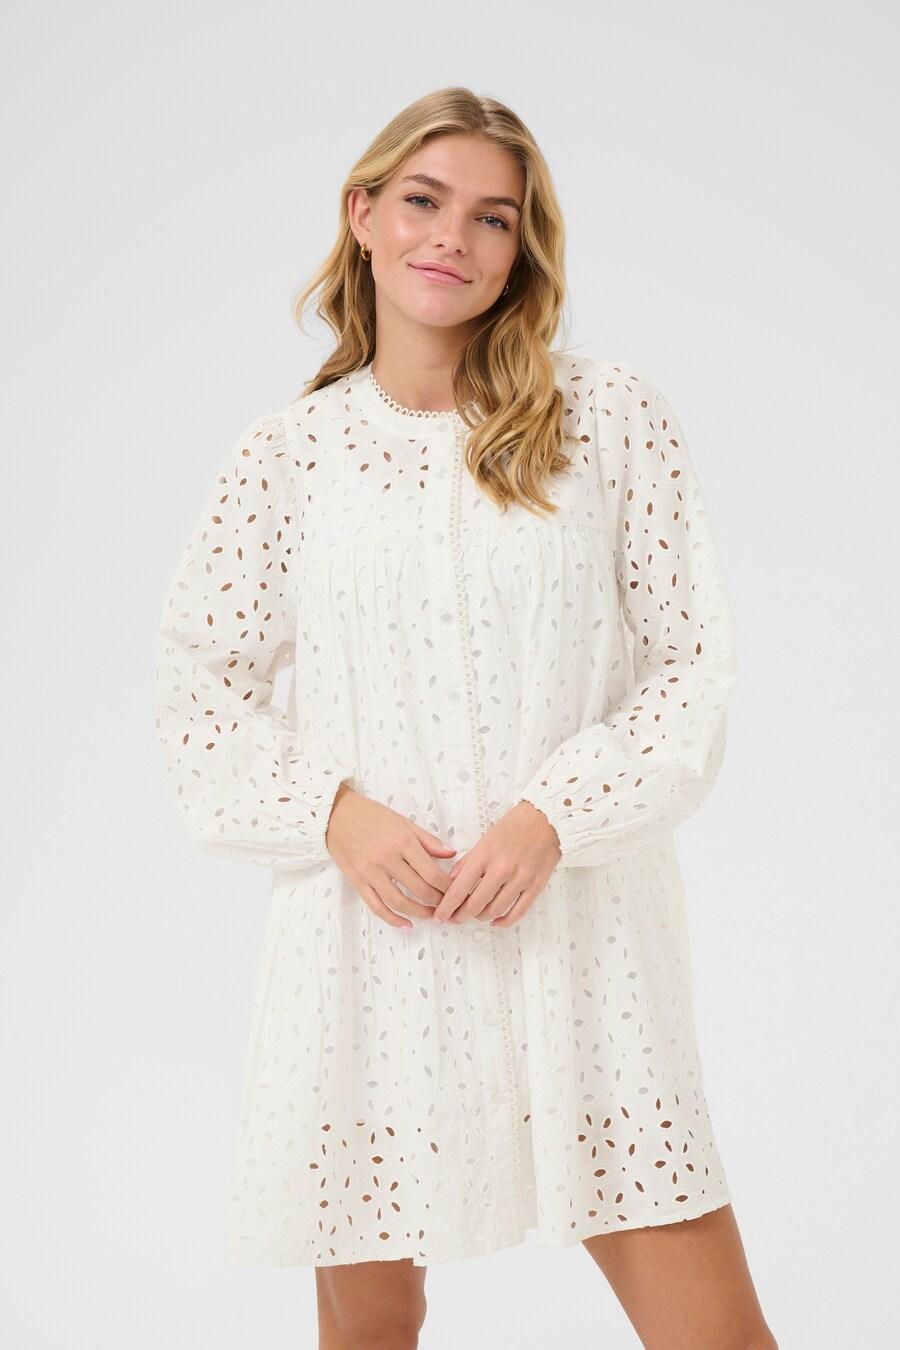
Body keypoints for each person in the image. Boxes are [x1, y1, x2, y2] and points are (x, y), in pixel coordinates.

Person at [153, 87, 778, 1350]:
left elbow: (689, 665)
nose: (453, 237)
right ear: (363, 215)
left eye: (494, 217)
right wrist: (334, 815)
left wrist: (557, 816)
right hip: (370, 952)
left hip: (584, 944)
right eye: (424, 201)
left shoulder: (607, 419)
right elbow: (197, 688)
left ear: (521, 248)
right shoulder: (286, 458)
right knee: (368, 1334)